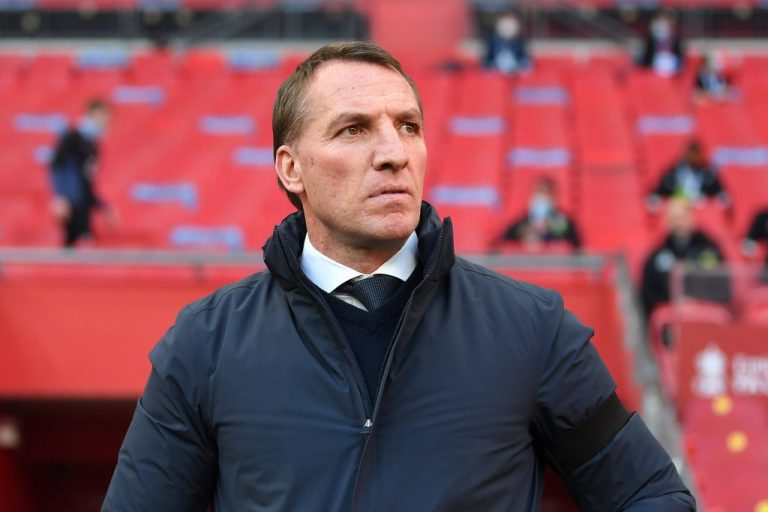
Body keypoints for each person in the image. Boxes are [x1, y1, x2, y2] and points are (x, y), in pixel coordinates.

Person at [103, 42, 695, 511]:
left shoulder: (532, 329)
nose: (394, 152)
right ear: (291, 168)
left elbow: (650, 495)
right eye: (354, 129)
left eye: (408, 126)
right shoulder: (205, 344)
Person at [641, 198, 726, 317]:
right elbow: (649, 294)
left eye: (682, 217)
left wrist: (696, 300)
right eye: (673, 219)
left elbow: (722, 285)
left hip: (705, 314)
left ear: (692, 217)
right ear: (667, 222)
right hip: (671, 317)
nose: (678, 223)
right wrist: (672, 301)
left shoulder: (710, 249)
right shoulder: (657, 256)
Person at [49, 98, 114, 247]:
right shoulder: (71, 139)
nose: (103, 122)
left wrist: (103, 206)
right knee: (71, 244)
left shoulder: (93, 148)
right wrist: (60, 196)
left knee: (85, 244)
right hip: (71, 206)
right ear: (90, 114)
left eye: (106, 118)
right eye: (100, 116)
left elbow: (87, 185)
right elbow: (58, 167)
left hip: (84, 208)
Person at [497, 176, 580, 251]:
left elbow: (577, 248)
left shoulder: (563, 221)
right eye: (539, 192)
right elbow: (501, 242)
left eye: (547, 193)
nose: (542, 197)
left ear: (554, 196)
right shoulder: (522, 221)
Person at [647, 140, 730, 211]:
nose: (693, 157)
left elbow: (721, 194)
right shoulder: (673, 173)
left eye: (695, 154)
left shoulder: (708, 174)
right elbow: (658, 193)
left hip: (702, 211)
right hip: (679, 208)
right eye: (690, 153)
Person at [639, 11, 684, 77]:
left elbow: (680, 61)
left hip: (672, 74)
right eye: (660, 21)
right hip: (653, 75)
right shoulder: (650, 41)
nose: (662, 25)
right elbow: (645, 61)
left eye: (665, 21)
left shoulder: (675, 40)